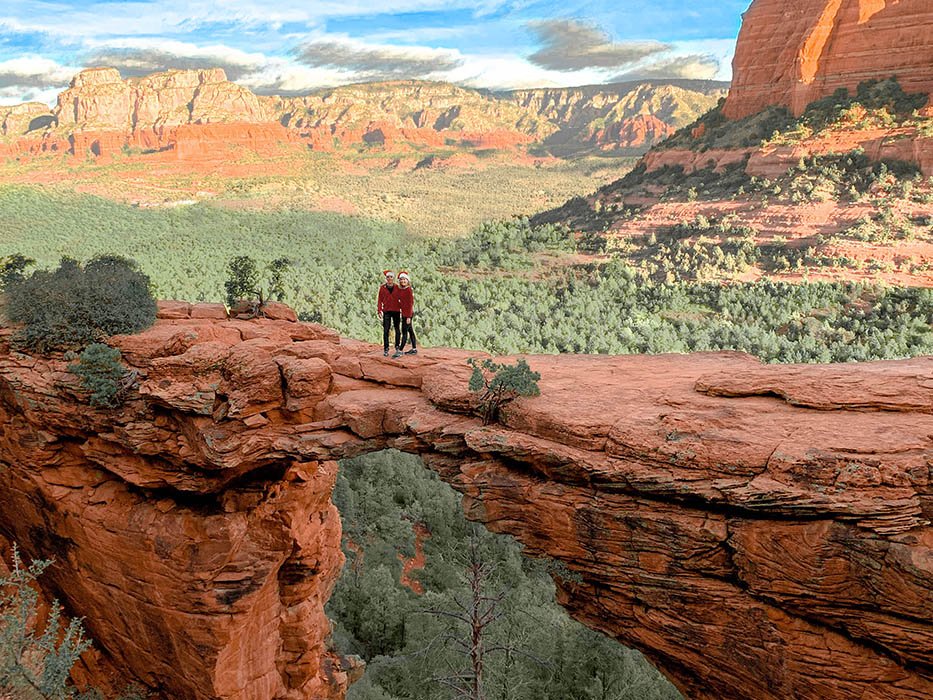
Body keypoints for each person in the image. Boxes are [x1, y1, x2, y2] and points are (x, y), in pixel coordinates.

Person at [377, 269, 402, 356]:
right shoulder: (382, 288)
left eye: (391, 277)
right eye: (388, 277)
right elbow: (379, 300)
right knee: (386, 330)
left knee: (397, 329)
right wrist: (379, 310)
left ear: (393, 278)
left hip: (396, 311)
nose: (389, 278)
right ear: (386, 278)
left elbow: (402, 299)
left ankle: (397, 347)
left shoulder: (397, 287)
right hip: (387, 310)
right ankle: (386, 348)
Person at [394, 270, 418, 358]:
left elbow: (410, 303)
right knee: (410, 330)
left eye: (405, 280)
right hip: (404, 313)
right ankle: (414, 349)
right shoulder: (401, 290)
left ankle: (400, 350)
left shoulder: (408, 290)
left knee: (404, 332)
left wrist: (408, 317)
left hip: (408, 314)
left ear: (408, 281)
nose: (403, 281)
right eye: (401, 279)